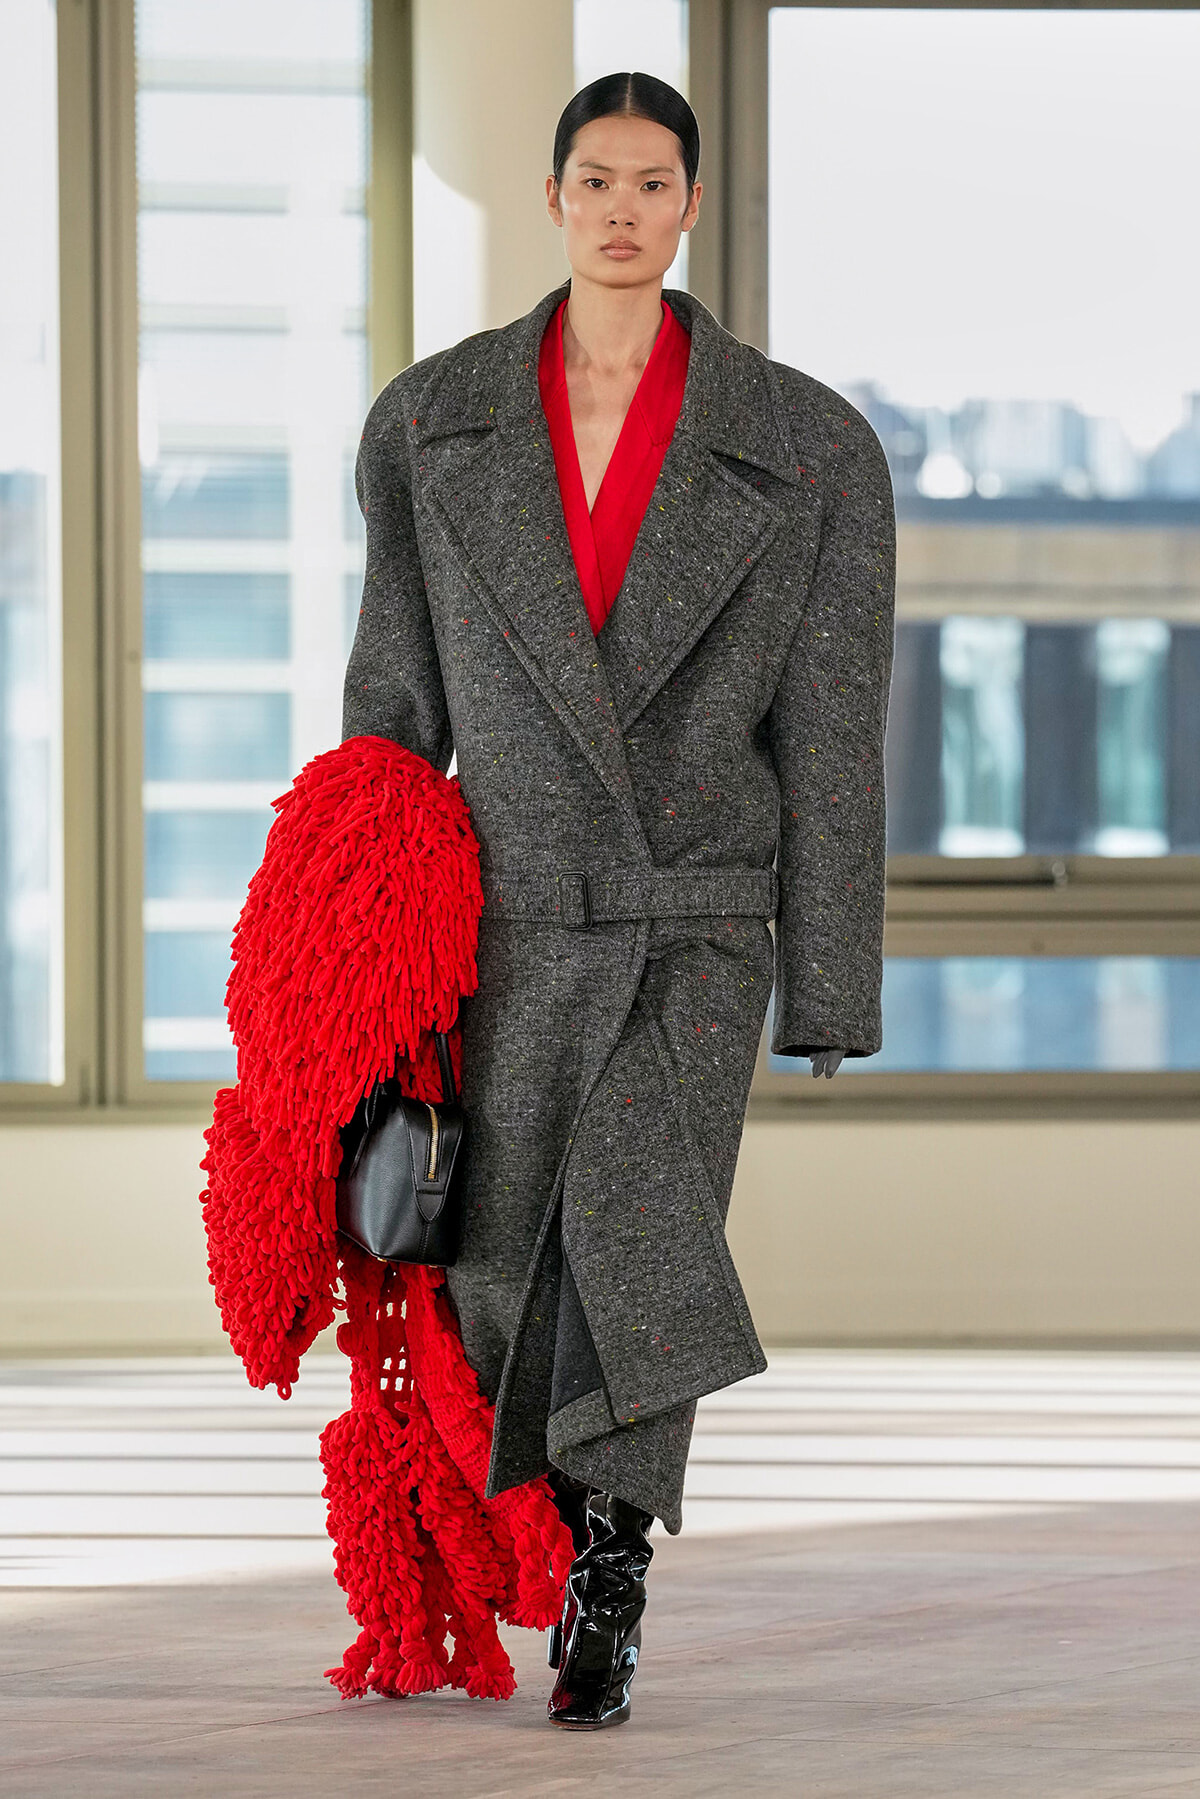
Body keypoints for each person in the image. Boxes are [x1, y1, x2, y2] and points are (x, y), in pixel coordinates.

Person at [342, 70, 896, 1729]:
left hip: (693, 927)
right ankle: (571, 1539)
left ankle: (611, 1578)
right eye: (596, 178)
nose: (623, 209)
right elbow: (387, 712)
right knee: (506, 1260)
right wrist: (351, 960)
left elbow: (836, 736)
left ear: (691, 206)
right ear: (555, 195)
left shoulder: (805, 447)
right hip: (503, 928)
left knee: (641, 1260)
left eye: (654, 183)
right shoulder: (434, 425)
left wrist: (833, 982)